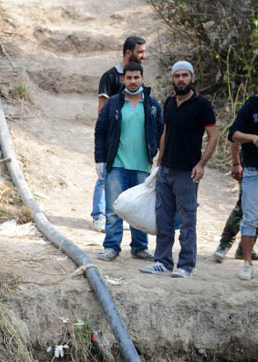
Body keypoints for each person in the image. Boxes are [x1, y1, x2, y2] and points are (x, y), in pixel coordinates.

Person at [140, 61, 217, 278]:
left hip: (187, 172)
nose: (181, 79)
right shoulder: (170, 102)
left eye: (185, 75)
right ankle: (163, 262)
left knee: (186, 221)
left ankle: (186, 266)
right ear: (173, 78)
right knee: (163, 219)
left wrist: (201, 164)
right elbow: (165, 131)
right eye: (177, 76)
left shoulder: (202, 104)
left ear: (192, 78)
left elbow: (213, 137)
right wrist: (160, 160)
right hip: (166, 170)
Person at [94, 62, 162, 261]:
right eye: (129, 78)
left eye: (136, 77)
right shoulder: (114, 103)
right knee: (113, 208)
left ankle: (139, 247)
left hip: (142, 166)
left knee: (139, 209)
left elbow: (162, 132)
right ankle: (111, 247)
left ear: (142, 78)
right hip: (117, 164)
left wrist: (160, 159)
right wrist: (100, 159)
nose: (132, 81)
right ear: (123, 79)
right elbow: (100, 132)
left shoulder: (152, 105)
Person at [92, 36, 147, 233]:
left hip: (131, 142)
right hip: (111, 138)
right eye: (140, 52)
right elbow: (102, 108)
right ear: (128, 52)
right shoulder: (110, 77)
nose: (144, 55)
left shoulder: (137, 75)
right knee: (105, 177)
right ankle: (98, 215)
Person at [229, 73, 258, 280]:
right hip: (254, 171)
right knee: (250, 217)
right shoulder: (250, 107)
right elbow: (232, 134)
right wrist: (252, 138)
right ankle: (246, 263)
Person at [212, 167, 258, 263]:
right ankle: (224, 245)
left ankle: (245, 249)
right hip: (252, 168)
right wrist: (236, 163)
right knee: (242, 208)